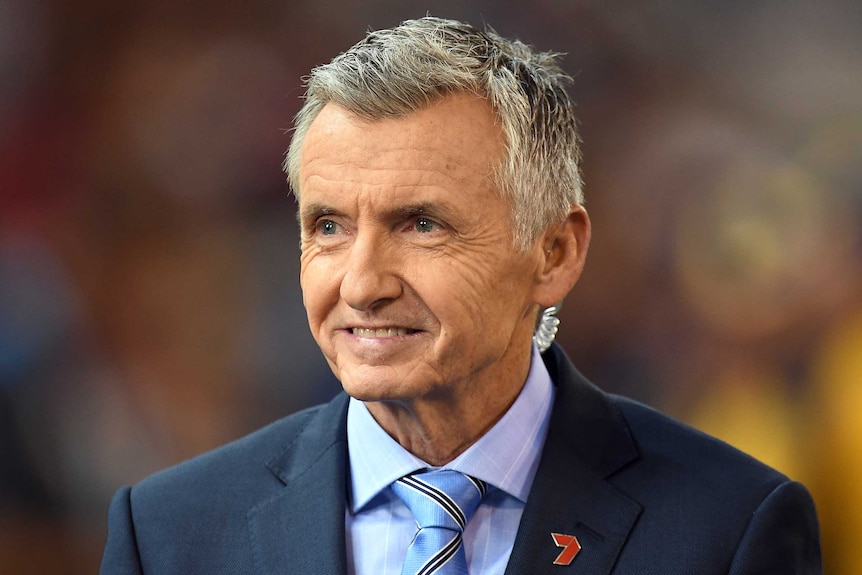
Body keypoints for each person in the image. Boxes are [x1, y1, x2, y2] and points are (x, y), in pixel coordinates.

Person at [100, 16, 821, 574]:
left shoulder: (729, 527)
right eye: (328, 226)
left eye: (421, 223)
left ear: (555, 251)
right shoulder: (168, 533)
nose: (361, 283)